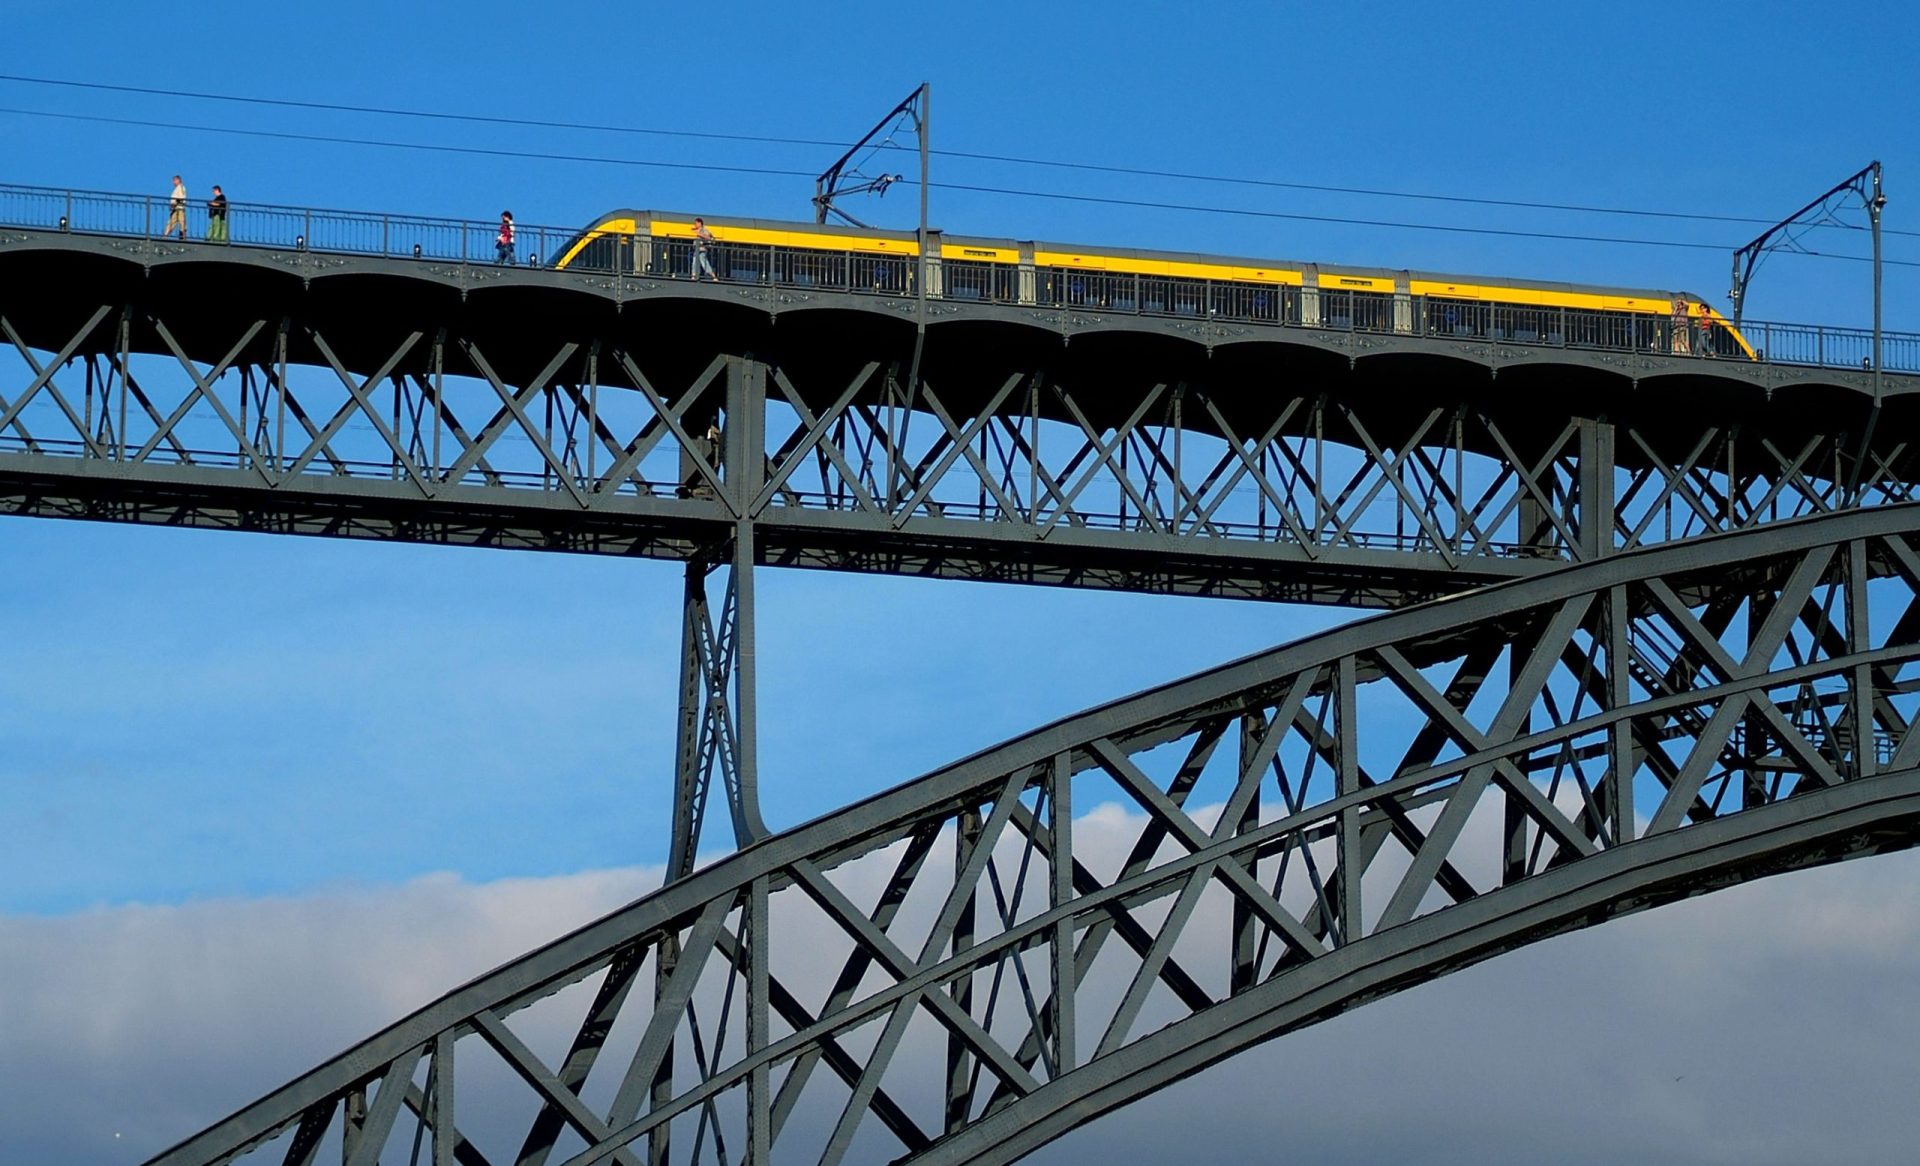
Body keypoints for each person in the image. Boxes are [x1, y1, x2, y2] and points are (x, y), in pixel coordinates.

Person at [690, 217, 719, 282]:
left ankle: (713, 276)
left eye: (696, 223)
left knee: (704, 262)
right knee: (694, 263)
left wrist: (699, 234)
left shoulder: (704, 230)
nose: (695, 225)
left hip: (702, 249)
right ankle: (693, 275)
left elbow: (708, 237)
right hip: (696, 250)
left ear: (700, 223)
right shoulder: (696, 230)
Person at [164, 174, 188, 241]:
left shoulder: (180, 187)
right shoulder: (178, 188)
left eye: (174, 181)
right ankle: (165, 237)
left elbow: (180, 198)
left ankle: (183, 238)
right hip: (176, 209)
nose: (173, 182)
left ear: (178, 180)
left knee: (181, 223)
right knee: (173, 223)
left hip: (179, 208)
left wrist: (173, 204)